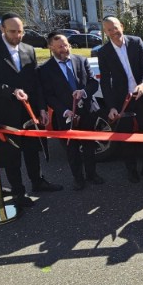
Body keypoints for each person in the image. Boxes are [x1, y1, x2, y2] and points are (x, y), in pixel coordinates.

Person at [0, 13, 62, 209]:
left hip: (29, 112)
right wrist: (12, 91)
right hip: (4, 112)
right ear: (2, 29)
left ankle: (38, 181)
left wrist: (41, 108)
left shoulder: (28, 49)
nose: (17, 36)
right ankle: (18, 192)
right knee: (11, 155)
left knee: (32, 150)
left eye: (20, 32)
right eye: (12, 31)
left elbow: (36, 82)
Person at [39, 32, 104, 190]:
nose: (65, 49)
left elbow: (93, 83)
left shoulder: (81, 60)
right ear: (51, 47)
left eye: (66, 45)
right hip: (66, 115)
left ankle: (92, 174)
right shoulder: (45, 69)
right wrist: (65, 111)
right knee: (72, 149)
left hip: (87, 111)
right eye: (60, 46)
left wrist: (84, 92)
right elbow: (49, 96)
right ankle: (78, 179)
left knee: (89, 146)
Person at [98, 16, 143, 183]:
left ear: (122, 26)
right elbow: (105, 82)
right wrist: (111, 106)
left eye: (115, 28)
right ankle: (131, 170)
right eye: (109, 30)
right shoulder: (104, 52)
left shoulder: (136, 42)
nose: (113, 32)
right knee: (125, 137)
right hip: (121, 101)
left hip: (141, 97)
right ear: (105, 32)